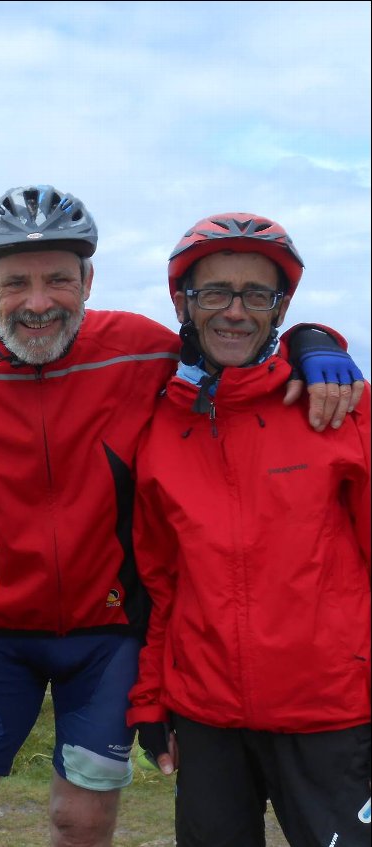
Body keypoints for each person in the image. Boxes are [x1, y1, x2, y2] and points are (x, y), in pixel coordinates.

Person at [0, 185, 365, 847]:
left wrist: (315, 338)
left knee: (80, 823)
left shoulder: (141, 350)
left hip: (106, 643)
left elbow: (236, 345)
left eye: (59, 279)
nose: (39, 301)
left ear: (89, 280)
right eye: (16, 282)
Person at [126, 213, 370, 847]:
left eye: (255, 295)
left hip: (332, 713)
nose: (234, 312)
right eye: (215, 293)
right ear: (184, 302)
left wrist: (317, 342)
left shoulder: (337, 407)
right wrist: (151, 700)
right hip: (207, 718)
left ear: (279, 307)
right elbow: (160, 585)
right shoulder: (160, 430)